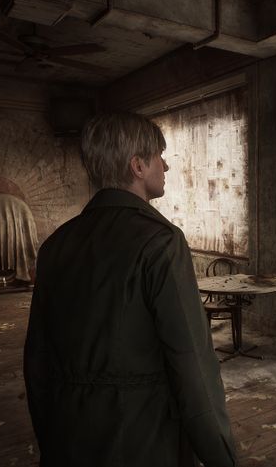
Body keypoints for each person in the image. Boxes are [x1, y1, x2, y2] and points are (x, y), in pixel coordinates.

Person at [24, 112, 238, 467]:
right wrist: (221, 456)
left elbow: (36, 360)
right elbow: (192, 365)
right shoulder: (160, 241)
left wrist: (51, 437)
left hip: (68, 434)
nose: (165, 167)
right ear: (138, 166)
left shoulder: (56, 244)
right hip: (142, 437)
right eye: (159, 157)